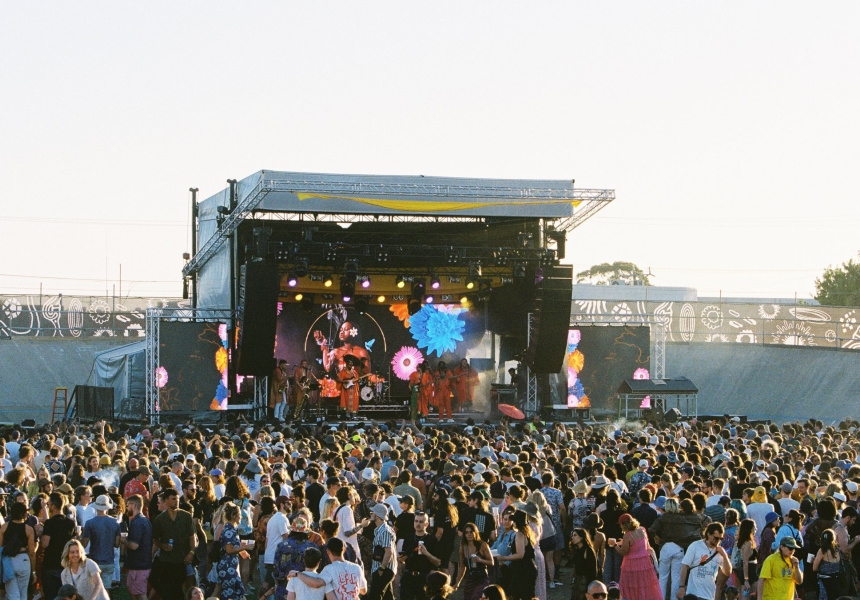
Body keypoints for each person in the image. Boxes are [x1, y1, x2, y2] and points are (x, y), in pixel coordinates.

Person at [152, 488, 196, 600]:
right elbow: (155, 540)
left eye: (177, 499)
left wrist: (191, 553)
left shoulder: (186, 516)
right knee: (170, 589)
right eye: (173, 499)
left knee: (176, 588)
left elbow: (192, 537)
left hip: (182, 560)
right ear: (166, 500)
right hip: (166, 560)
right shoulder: (160, 519)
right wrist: (162, 545)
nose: (176, 501)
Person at [294, 537, 368, 600]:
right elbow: (363, 590)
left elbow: (316, 583)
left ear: (328, 551)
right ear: (344, 550)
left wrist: (297, 574)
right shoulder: (357, 567)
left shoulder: (329, 569)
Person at [677, 523, 732, 600]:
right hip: (693, 594)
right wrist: (682, 586)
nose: (718, 541)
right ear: (709, 534)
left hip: (709, 595)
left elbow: (727, 572)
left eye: (720, 539)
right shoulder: (696, 546)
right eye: (716, 538)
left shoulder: (719, 552)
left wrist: (725, 556)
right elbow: (684, 565)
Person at [615, 513, 662, 600]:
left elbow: (623, 552)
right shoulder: (642, 530)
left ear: (624, 525)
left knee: (632, 586)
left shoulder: (628, 535)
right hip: (645, 564)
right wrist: (624, 542)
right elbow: (645, 545)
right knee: (645, 585)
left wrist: (614, 545)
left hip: (631, 565)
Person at [40, 491, 77, 600]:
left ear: (53, 506)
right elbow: (73, 543)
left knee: (51, 596)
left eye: (48, 504)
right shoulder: (70, 523)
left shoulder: (50, 523)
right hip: (65, 564)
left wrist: (40, 534)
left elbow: (44, 544)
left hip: (50, 564)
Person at [80, 494, 120, 590]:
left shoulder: (90, 523)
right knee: (106, 590)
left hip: (95, 561)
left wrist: (78, 537)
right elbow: (117, 544)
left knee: (94, 589)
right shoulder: (115, 522)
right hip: (109, 561)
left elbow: (84, 544)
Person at [272, 516, 317, 600]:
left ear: (291, 530)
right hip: (305, 587)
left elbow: (276, 569)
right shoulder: (312, 546)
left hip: (284, 588)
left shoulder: (281, 546)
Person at [401, 511, 443, 600]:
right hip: (409, 576)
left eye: (421, 522)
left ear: (426, 524)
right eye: (416, 521)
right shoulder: (408, 538)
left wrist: (426, 553)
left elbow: (438, 562)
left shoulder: (432, 540)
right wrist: (401, 559)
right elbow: (404, 559)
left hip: (425, 578)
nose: (418, 524)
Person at [216, 502, 253, 600]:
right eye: (239, 516)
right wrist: (245, 547)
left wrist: (243, 552)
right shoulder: (229, 531)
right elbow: (229, 550)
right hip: (227, 567)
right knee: (228, 594)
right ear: (233, 516)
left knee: (239, 591)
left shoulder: (233, 530)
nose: (241, 518)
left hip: (232, 567)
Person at [497, 510, 537, 600]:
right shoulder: (526, 533)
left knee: (520, 594)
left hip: (523, 569)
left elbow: (520, 554)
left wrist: (504, 558)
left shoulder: (519, 534)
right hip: (527, 568)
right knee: (526, 594)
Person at [0, 501, 36, 600]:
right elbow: (32, 553)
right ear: (24, 514)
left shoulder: (4, 527)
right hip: (23, 560)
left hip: (8, 560)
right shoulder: (28, 529)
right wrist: (33, 572)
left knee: (12, 594)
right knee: (23, 593)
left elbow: (0, 547)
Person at [122, 494, 153, 600]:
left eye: (127, 506)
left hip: (139, 566)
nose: (126, 508)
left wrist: (123, 541)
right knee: (133, 592)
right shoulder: (144, 520)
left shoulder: (137, 523)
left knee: (140, 593)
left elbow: (134, 545)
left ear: (133, 505)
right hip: (142, 564)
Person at [454, 522, 492, 600]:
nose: (469, 534)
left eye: (471, 532)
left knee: (476, 597)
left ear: (475, 532)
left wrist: (480, 560)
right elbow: (462, 567)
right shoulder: (463, 547)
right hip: (470, 577)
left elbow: (491, 562)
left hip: (482, 577)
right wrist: (457, 583)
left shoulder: (482, 545)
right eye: (467, 532)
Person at [367, 502, 397, 600]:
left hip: (384, 568)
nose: (371, 514)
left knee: (375, 595)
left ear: (377, 515)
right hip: (382, 568)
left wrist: (381, 568)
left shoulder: (384, 531)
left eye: (373, 513)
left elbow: (389, 551)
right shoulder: (382, 530)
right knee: (387, 597)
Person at [813, 529, 846, 600]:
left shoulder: (822, 551)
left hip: (824, 581)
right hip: (836, 580)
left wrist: (814, 561)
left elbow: (814, 568)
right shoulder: (838, 550)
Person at [571, 529, 599, 600]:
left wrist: (591, 586)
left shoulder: (588, 550)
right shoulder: (577, 550)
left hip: (586, 581)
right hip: (578, 581)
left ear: (582, 537)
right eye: (572, 535)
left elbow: (593, 570)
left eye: (575, 535)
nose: (572, 538)